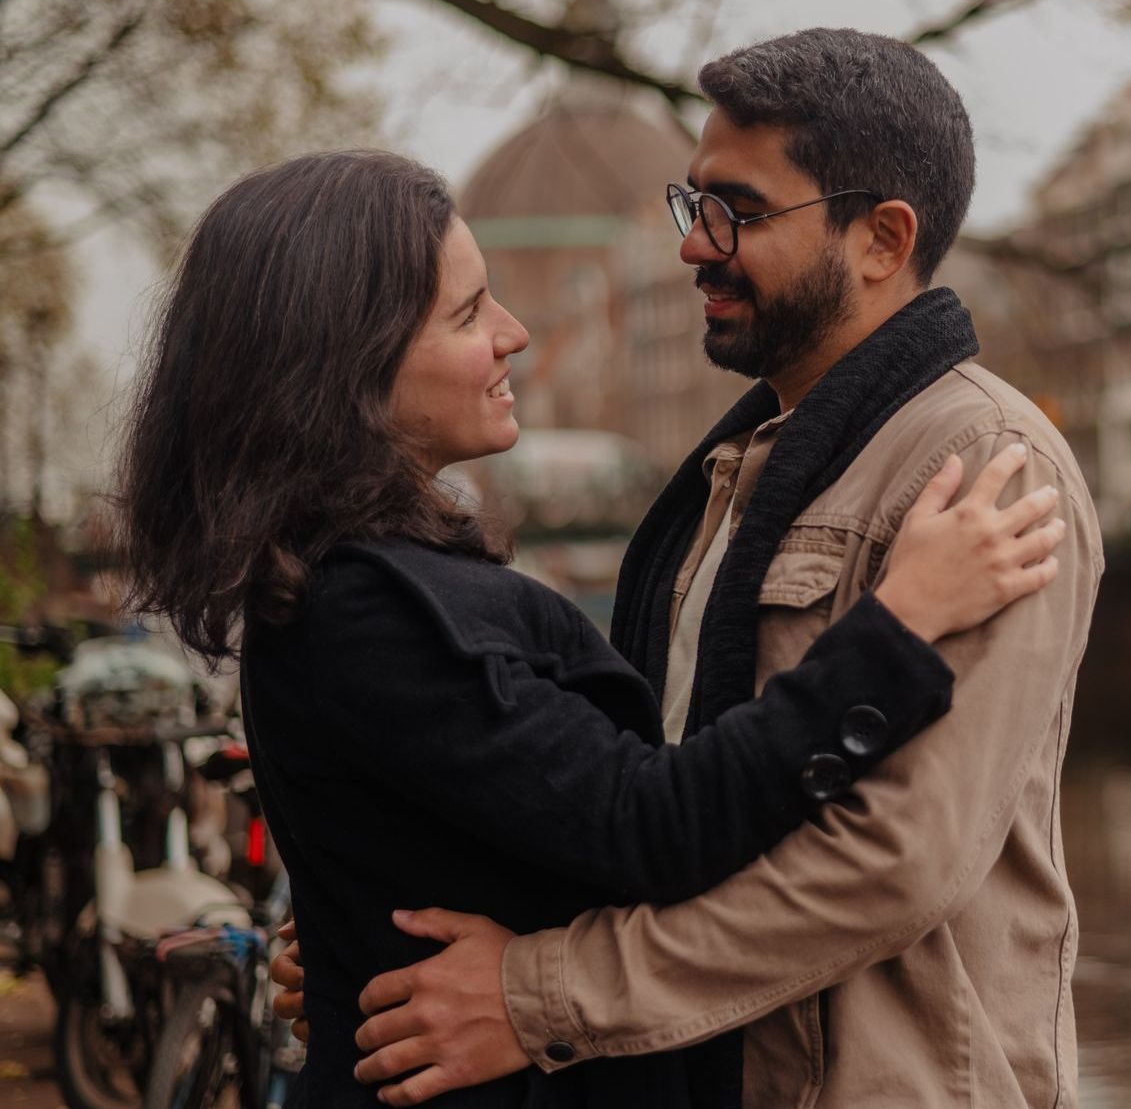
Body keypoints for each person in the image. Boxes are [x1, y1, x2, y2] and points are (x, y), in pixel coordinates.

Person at [119, 149, 1061, 1109]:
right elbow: (655, 822)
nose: (514, 334)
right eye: (467, 312)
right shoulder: (373, 608)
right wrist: (898, 623)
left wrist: (349, 931)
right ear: (345, 367)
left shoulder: (355, 586)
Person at [326, 30, 1104, 1108]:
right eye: (692, 207)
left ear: (882, 239)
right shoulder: (739, 469)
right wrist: (378, 919)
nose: (697, 246)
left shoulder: (979, 469)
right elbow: (663, 800)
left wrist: (541, 995)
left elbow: (891, 862)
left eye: (737, 211)